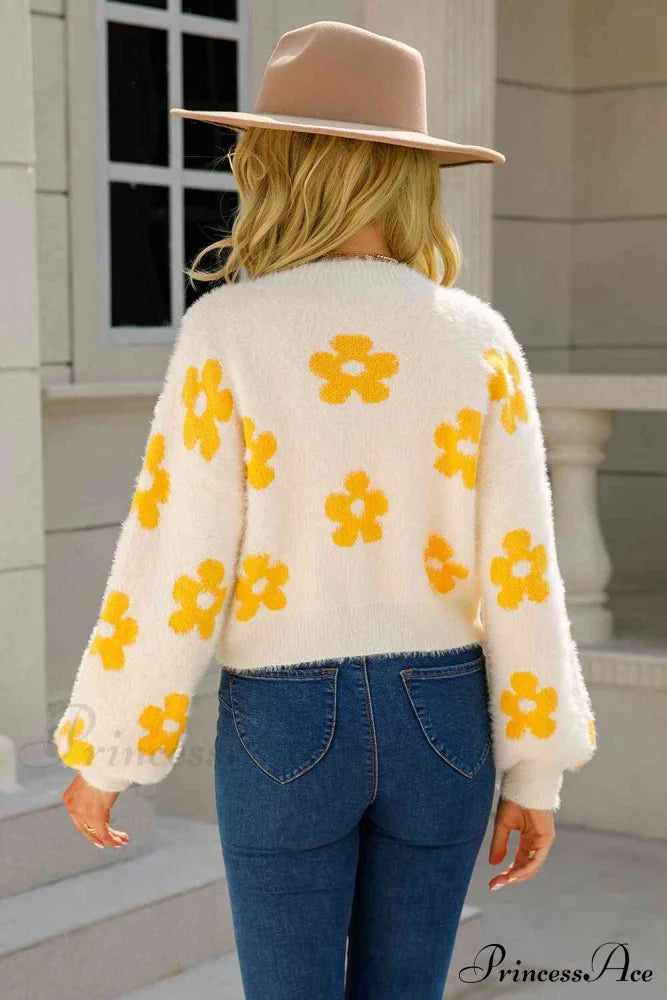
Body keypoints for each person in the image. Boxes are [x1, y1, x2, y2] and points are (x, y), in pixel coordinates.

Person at [55, 20, 597, 1000]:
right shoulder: (478, 339)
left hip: (286, 719)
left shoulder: (228, 331)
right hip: (445, 718)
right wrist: (535, 772)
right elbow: (522, 569)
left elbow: (178, 556)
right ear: (411, 174)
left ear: (281, 165)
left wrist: (111, 748)